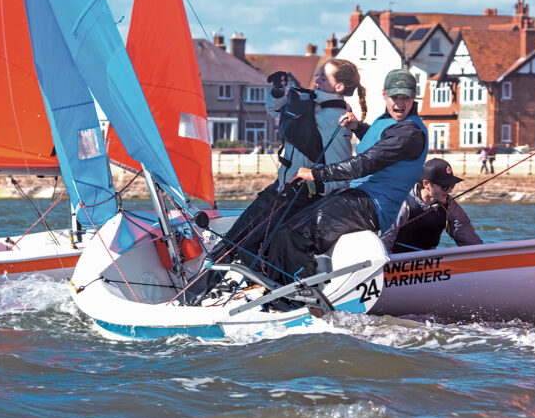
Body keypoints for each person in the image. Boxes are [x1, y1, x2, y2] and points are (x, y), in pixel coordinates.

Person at [188, 59, 365, 298]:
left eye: (324, 77)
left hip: (296, 196)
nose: (317, 79)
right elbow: (274, 109)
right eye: (319, 75)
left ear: (339, 86)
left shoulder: (336, 118)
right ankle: (247, 290)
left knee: (239, 242)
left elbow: (340, 174)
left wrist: (312, 187)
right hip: (279, 189)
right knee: (241, 241)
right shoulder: (308, 100)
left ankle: (194, 295)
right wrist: (278, 92)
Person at [265, 68, 428, 286]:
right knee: (284, 228)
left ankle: (304, 294)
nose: (399, 104)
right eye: (394, 97)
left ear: (414, 96)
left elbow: (365, 163)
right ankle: (276, 286)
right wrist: (358, 127)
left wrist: (316, 174)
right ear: (384, 95)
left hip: (372, 206)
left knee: (293, 236)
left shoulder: (410, 132)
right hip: (357, 197)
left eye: (405, 98)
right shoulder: (392, 123)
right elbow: (380, 141)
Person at [381, 158, 482, 253]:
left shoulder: (449, 205)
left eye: (452, 185)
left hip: (428, 261)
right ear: (426, 184)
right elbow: (383, 244)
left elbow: (469, 240)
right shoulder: (402, 203)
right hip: (394, 259)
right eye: (445, 187)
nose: (450, 190)